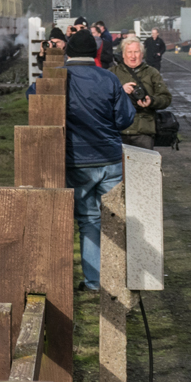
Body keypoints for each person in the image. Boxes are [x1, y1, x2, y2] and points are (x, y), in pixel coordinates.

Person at [63, 28, 135, 292]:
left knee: (89, 219)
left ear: (68, 53)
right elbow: (125, 119)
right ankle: (117, 280)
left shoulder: (58, 78)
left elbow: (32, 98)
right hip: (110, 159)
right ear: (94, 54)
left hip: (77, 161)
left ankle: (94, 281)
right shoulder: (109, 79)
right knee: (115, 218)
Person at [110, 35, 171, 150]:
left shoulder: (152, 73)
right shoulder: (112, 73)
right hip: (118, 130)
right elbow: (101, 98)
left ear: (142, 54)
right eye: (129, 52)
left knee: (143, 167)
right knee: (119, 167)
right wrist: (120, 91)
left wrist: (151, 101)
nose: (133, 56)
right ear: (123, 54)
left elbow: (166, 98)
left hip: (143, 130)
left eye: (136, 52)